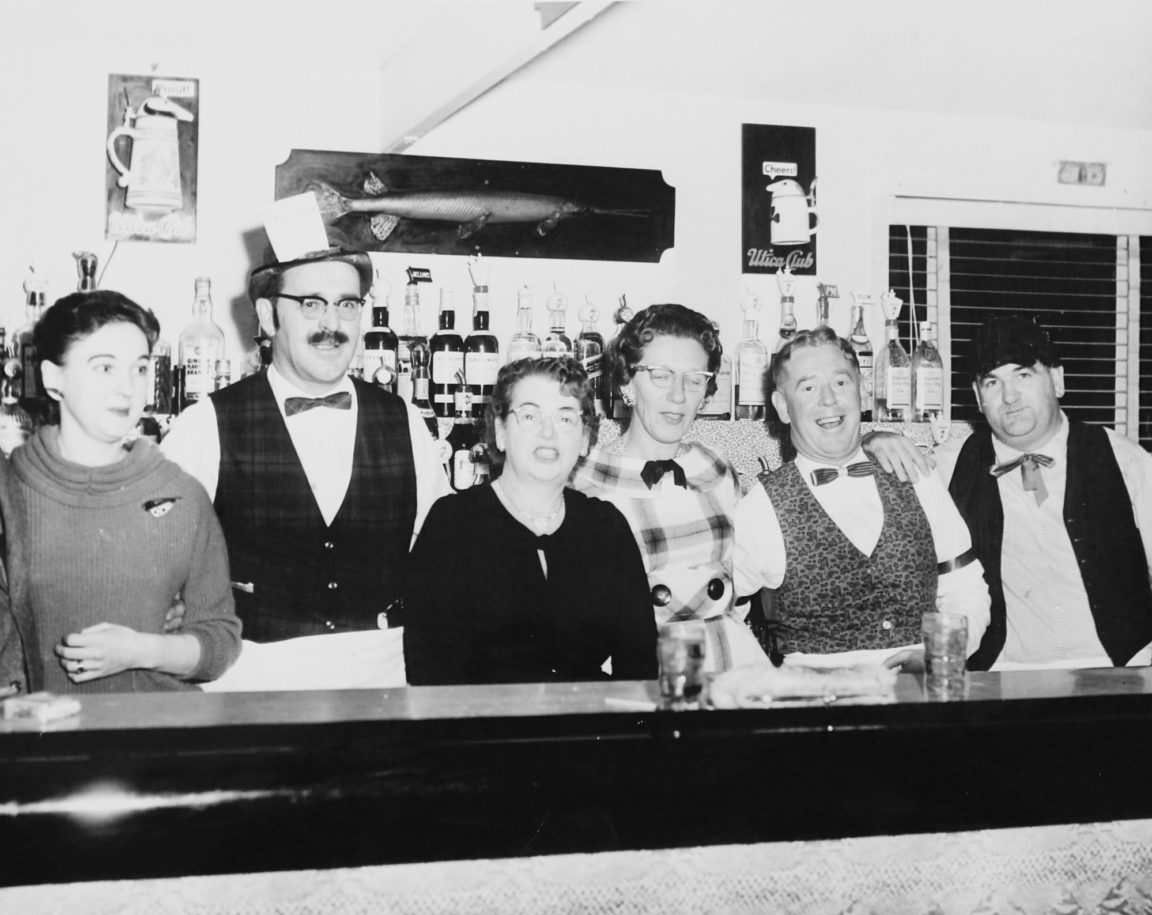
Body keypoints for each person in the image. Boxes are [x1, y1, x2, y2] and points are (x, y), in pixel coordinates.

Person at [161, 247, 450, 689]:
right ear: (267, 315)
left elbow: (441, 553)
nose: (332, 325)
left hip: (381, 679)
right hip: (249, 680)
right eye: (311, 304)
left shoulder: (405, 420)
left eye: (348, 305)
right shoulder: (205, 425)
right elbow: (157, 561)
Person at [883, 315, 1152, 670]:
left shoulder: (1126, 460)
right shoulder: (948, 466)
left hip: (1125, 670)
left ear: (1056, 380)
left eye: (1023, 375)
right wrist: (874, 441)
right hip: (1005, 678)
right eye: (993, 382)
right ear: (978, 397)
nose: (1009, 396)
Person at [10, 290, 240, 694]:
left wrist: (142, 650)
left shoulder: (182, 496)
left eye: (139, 369)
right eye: (104, 368)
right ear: (53, 378)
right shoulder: (8, 492)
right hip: (35, 746)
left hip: (154, 741)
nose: (127, 389)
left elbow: (220, 643)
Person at [733, 326, 990, 666]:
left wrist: (943, 652)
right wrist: (767, 677)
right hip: (818, 708)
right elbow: (715, 613)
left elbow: (965, 587)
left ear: (863, 392)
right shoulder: (759, 509)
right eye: (808, 387)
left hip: (920, 704)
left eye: (841, 383)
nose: (829, 399)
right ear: (782, 406)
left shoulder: (916, 476)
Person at [404, 357, 657, 685]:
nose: (548, 432)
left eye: (565, 418)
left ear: (584, 439)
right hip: (480, 729)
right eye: (529, 415)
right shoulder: (452, 525)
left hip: (589, 728)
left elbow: (639, 668)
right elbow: (429, 674)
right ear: (501, 432)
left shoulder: (606, 527)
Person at [570, 303, 767, 672]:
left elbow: (744, 579)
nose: (678, 396)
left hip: (733, 660)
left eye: (693, 379)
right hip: (648, 665)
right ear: (627, 382)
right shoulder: (586, 480)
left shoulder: (716, 468)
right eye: (661, 376)